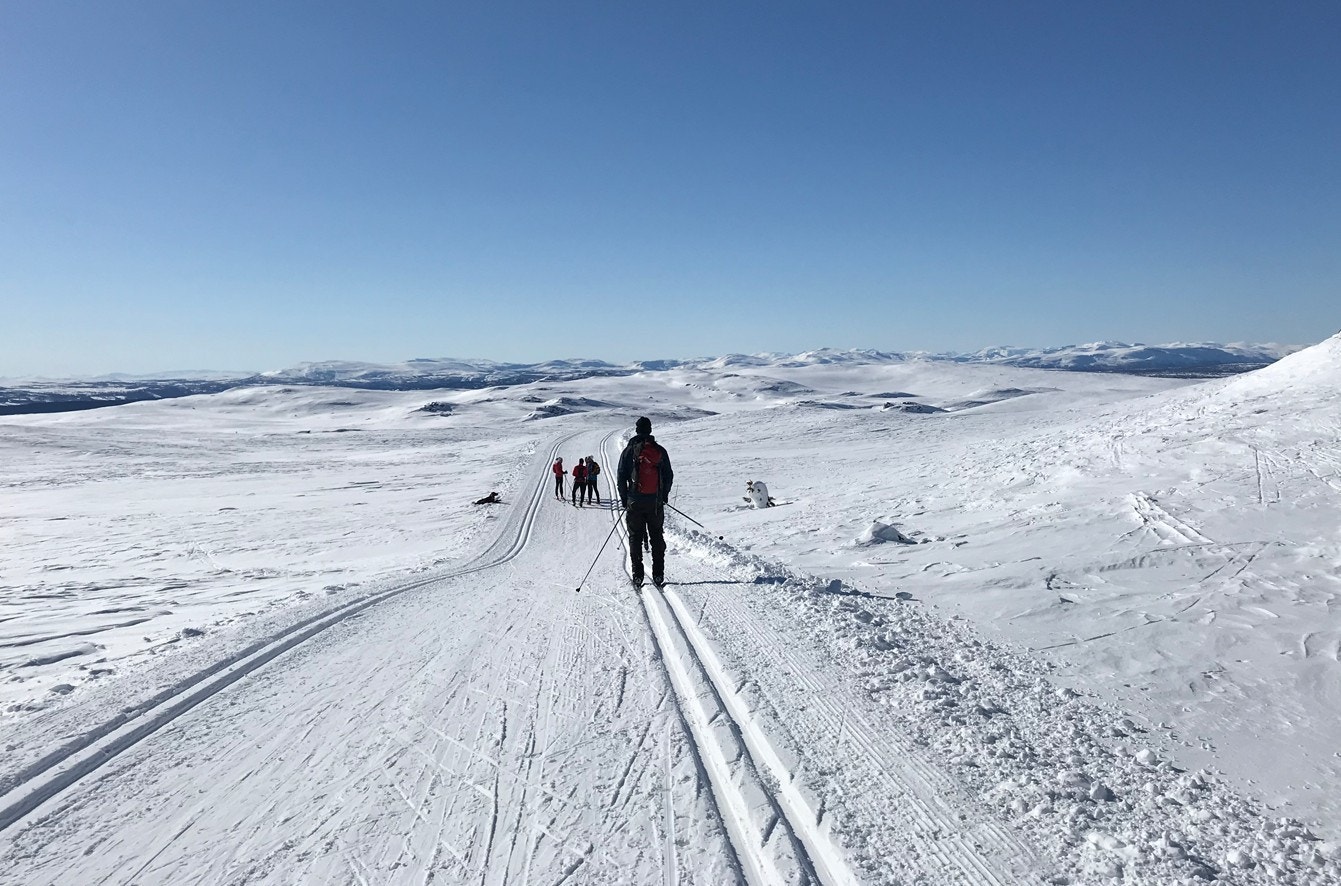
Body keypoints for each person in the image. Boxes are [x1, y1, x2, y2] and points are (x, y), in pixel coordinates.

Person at [617, 416, 673, 588]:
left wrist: (625, 499)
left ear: (636, 430)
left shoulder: (628, 452)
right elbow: (668, 475)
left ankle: (638, 575)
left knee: (635, 537)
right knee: (656, 535)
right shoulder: (660, 451)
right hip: (654, 501)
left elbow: (621, 477)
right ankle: (658, 574)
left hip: (635, 502)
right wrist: (663, 496)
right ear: (650, 430)